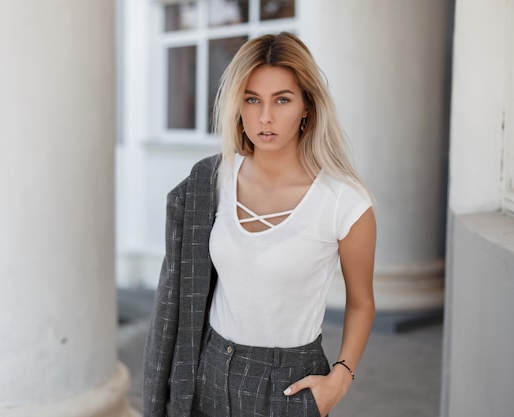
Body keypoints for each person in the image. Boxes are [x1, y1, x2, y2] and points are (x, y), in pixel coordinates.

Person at [143, 32, 376, 417]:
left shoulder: (344, 202)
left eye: (281, 99)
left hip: (288, 386)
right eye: (252, 99)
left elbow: (362, 302)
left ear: (307, 107)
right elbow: (178, 292)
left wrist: (340, 378)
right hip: (209, 373)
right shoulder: (211, 181)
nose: (265, 116)